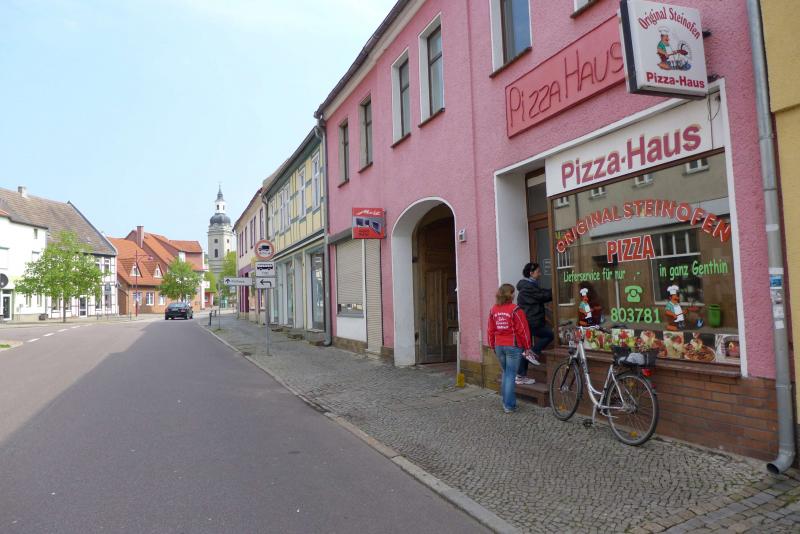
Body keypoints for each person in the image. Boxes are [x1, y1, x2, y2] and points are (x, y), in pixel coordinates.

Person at [487, 283, 532, 413]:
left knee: (506, 373)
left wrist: (492, 345)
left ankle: (506, 402)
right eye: (513, 292)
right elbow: (523, 330)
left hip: (499, 346)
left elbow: (490, 330)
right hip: (513, 346)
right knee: (510, 375)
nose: (514, 294)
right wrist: (527, 347)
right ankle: (509, 405)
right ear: (509, 295)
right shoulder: (515, 309)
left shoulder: (493, 309)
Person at [516, 262, 554, 384]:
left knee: (525, 350)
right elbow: (542, 296)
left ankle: (520, 376)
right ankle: (532, 353)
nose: (540, 274)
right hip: (532, 321)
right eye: (538, 271)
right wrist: (557, 288)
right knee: (549, 335)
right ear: (531, 273)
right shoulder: (528, 287)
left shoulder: (529, 285)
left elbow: (542, 293)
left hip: (529, 321)